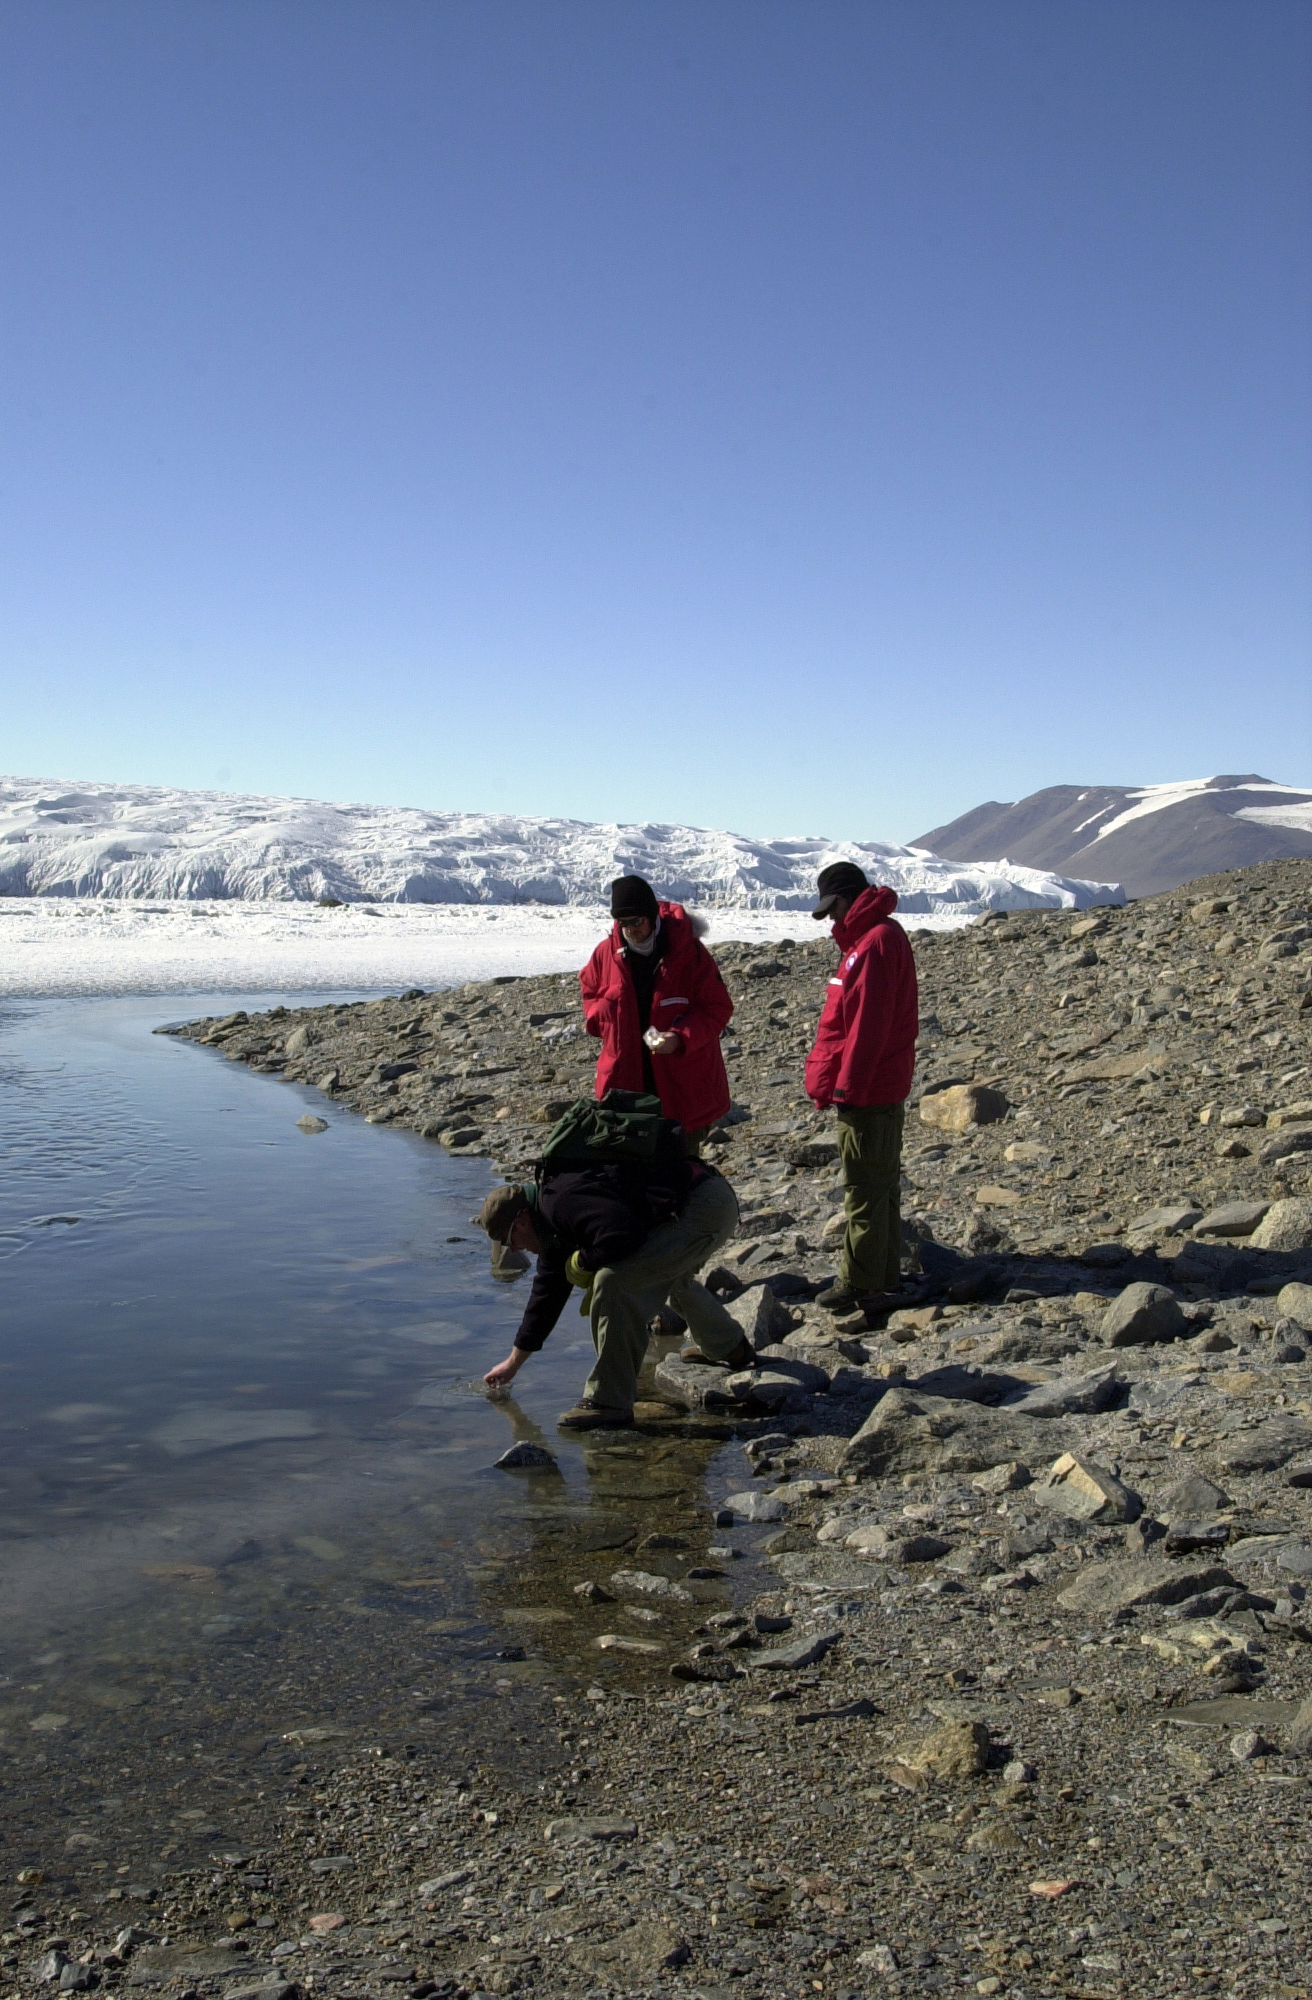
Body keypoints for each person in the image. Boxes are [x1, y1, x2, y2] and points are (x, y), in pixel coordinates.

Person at [476, 1152, 753, 1429]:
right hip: (706, 1199)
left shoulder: (560, 1203)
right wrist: (512, 1364)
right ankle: (730, 1347)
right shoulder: (550, 1224)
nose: (513, 1249)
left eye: (509, 1240)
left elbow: (624, 1234)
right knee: (659, 1272)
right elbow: (544, 1301)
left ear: (522, 1221)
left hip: (704, 1208)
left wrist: (582, 1262)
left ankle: (608, 1402)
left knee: (612, 1283)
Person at [804, 861, 919, 1316]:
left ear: (851, 898)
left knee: (864, 1186)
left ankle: (861, 1283)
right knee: (880, 1183)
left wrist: (846, 1089)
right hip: (877, 1086)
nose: (832, 919)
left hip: (868, 1091)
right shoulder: (876, 938)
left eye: (834, 909)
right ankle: (882, 1274)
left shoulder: (874, 944)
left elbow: (867, 1028)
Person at [580, 876, 733, 1154]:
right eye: (623, 923)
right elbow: (590, 992)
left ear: (651, 917)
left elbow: (717, 1008)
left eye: (636, 922)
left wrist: (679, 1038)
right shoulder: (606, 954)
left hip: (682, 1085)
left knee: (681, 1170)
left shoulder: (688, 953)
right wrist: (603, 1020)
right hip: (626, 1082)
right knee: (631, 1173)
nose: (630, 930)